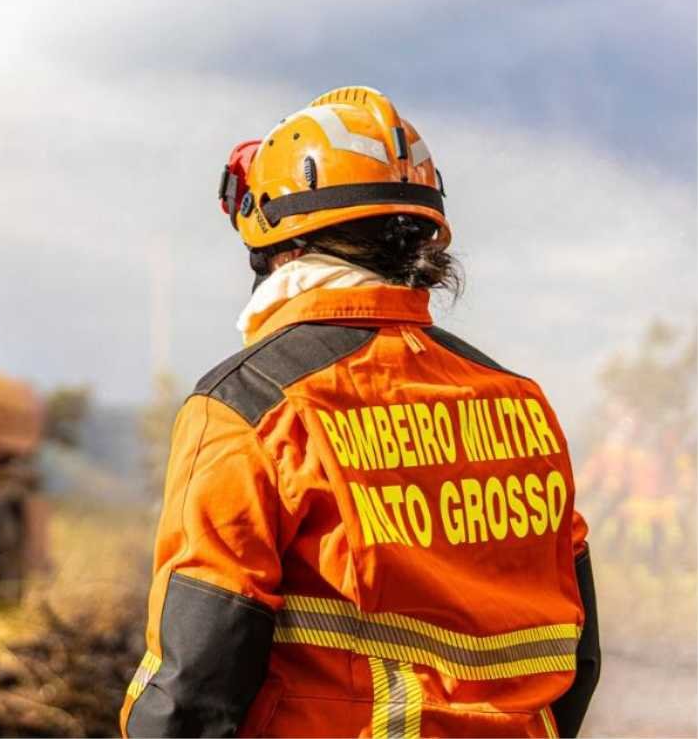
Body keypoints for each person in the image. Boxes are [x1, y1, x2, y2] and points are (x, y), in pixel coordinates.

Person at [120, 87, 600, 738]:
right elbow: (579, 656)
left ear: (282, 248)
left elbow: (193, 693)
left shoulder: (248, 407)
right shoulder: (523, 404)